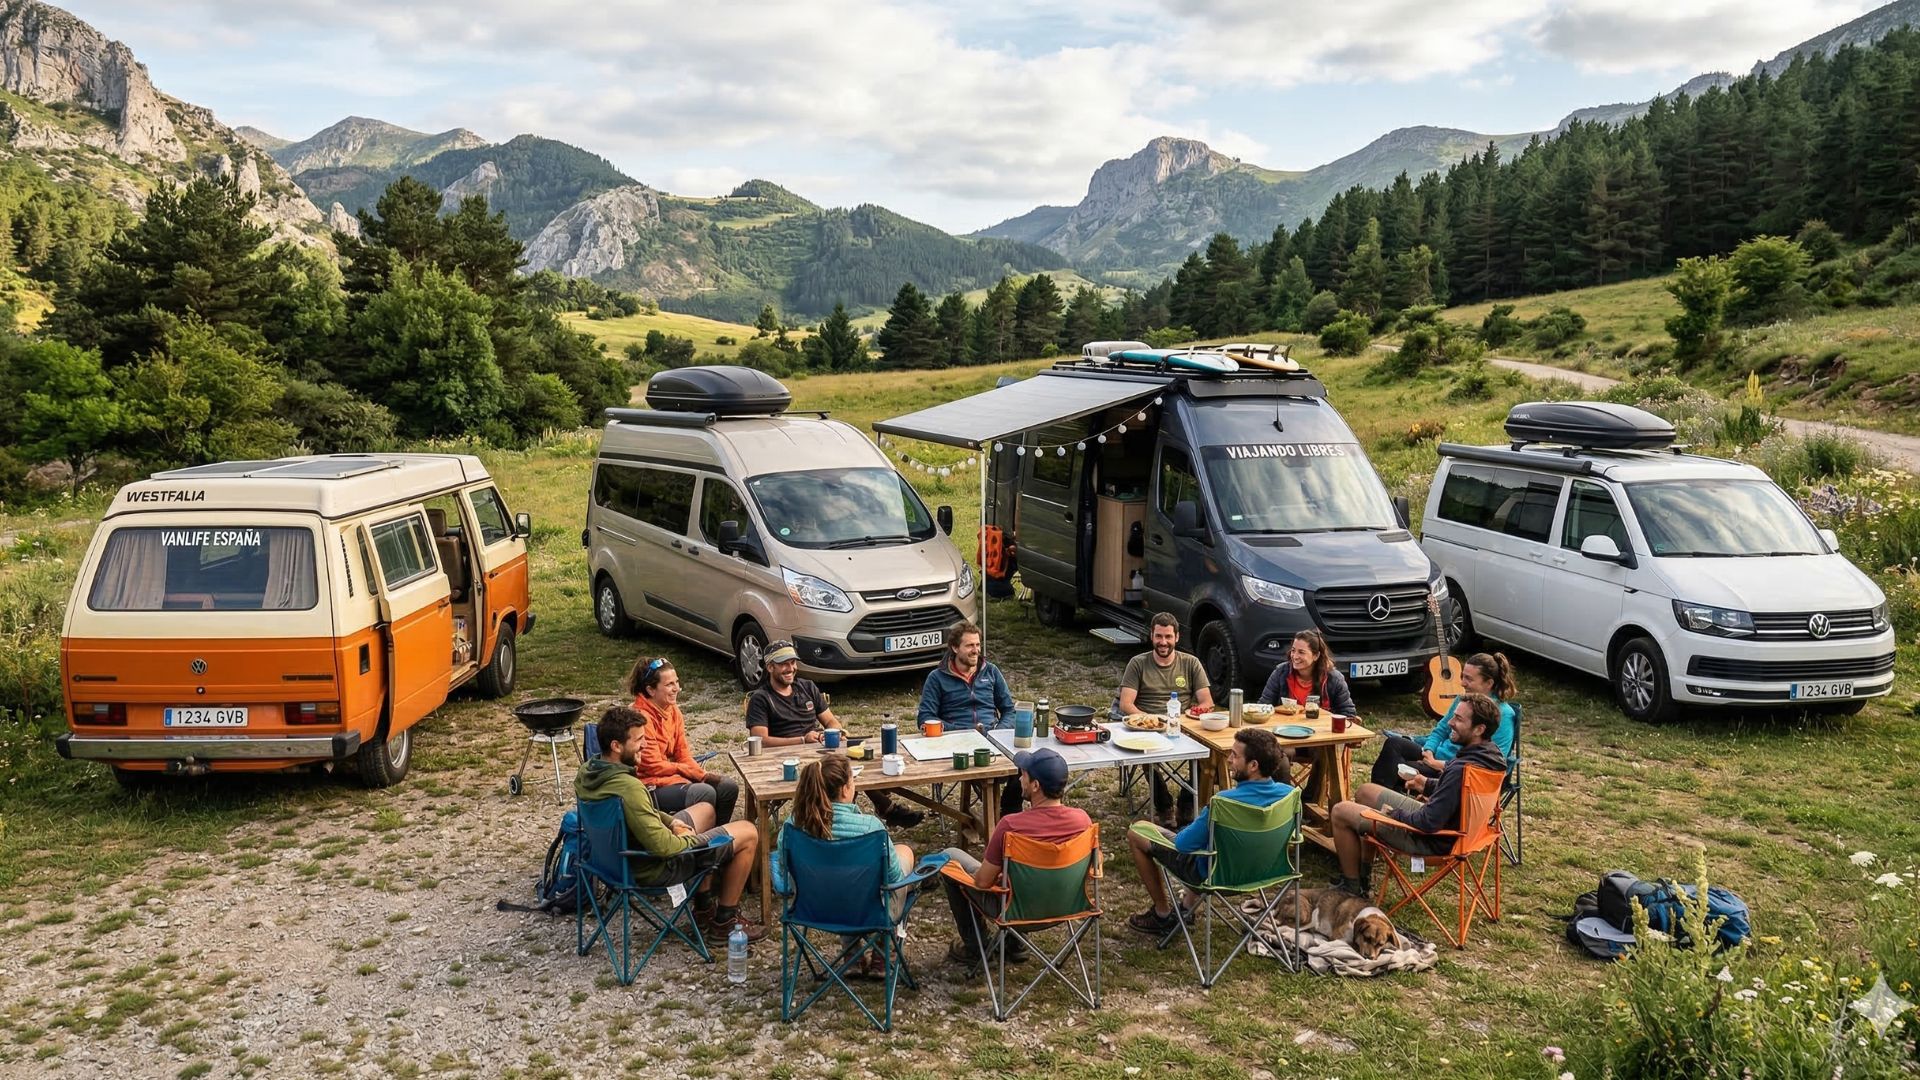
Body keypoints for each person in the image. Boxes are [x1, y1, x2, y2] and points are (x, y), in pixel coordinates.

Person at [575, 705, 765, 941]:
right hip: (652, 867)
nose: (644, 745)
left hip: (611, 860)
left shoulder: (588, 773)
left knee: (706, 810)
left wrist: (673, 823)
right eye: (638, 740)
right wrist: (693, 839)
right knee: (748, 832)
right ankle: (725, 921)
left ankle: (704, 906)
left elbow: (645, 811)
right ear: (616, 746)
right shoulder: (629, 788)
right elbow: (664, 847)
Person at [1327, 692, 1506, 897]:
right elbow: (1461, 791)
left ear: (1479, 729)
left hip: (1432, 839)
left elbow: (1427, 822)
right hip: (1455, 828)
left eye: (1458, 719)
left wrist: (1392, 813)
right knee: (1366, 791)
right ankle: (1364, 874)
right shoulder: (1491, 758)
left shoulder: (1461, 770)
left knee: (1341, 811)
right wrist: (1427, 784)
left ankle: (1352, 887)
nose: (1450, 723)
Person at [1125, 727, 1294, 934]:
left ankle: (1162, 915)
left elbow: (1182, 845)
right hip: (1265, 872)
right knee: (1210, 842)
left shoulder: (1223, 803)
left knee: (1138, 832)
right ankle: (1186, 910)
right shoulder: (1289, 796)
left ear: (1253, 765)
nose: (1229, 760)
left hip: (1216, 877)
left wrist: (1192, 829)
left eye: (1235, 755)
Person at [939, 748, 1093, 971]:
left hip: (1015, 911)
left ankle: (978, 948)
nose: (1020, 779)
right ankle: (1016, 943)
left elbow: (982, 882)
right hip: (1068, 906)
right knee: (1021, 877)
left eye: (1024, 775)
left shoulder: (1011, 826)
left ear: (1036, 785)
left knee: (950, 857)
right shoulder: (1083, 821)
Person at [749, 640, 922, 827]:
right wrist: (801, 740)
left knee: (863, 758)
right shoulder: (761, 698)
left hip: (818, 751)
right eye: (784, 664)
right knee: (842, 773)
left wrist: (835, 732)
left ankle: (871, 812)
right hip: (786, 761)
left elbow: (830, 720)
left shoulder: (806, 687)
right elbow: (761, 741)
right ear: (770, 667)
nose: (790, 668)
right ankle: (880, 812)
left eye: (793, 662)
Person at [773, 755, 917, 973]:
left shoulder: (792, 827)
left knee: (838, 878)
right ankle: (883, 951)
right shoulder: (871, 828)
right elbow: (894, 880)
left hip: (811, 909)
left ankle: (852, 954)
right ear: (845, 789)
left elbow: (784, 872)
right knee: (903, 853)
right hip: (869, 912)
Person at [1369, 651, 1518, 794]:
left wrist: (1438, 764)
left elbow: (1490, 764)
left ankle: (1378, 802)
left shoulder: (1501, 716)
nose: (1462, 683)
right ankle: (1381, 800)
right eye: (1462, 677)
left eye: (1469, 679)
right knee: (1394, 743)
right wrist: (1429, 751)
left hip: (1456, 773)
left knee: (1396, 768)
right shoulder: (1463, 700)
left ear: (1489, 683)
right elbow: (1441, 729)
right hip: (1436, 756)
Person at [1115, 612, 1213, 827]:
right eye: (1159, 636)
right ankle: (1164, 807)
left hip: (1183, 725)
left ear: (1177, 637)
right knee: (1146, 755)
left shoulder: (1190, 663)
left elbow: (1206, 702)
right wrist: (1147, 720)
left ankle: (1187, 803)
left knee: (1210, 752)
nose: (1163, 642)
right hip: (1146, 727)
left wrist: (1191, 715)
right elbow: (1126, 704)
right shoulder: (1138, 663)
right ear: (1152, 636)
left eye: (1168, 637)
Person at [916, 620, 1022, 815]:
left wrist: (999, 732)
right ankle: (994, 817)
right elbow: (925, 717)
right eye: (970, 645)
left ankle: (1008, 811)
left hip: (992, 738)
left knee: (1025, 760)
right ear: (955, 648)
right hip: (956, 741)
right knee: (980, 768)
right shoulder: (937, 678)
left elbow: (1009, 710)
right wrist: (959, 730)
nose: (976, 650)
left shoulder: (991, 671)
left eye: (978, 645)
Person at [627, 655, 740, 823]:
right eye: (669, 684)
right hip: (648, 785)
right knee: (704, 792)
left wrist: (701, 774)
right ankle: (692, 842)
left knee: (727, 787)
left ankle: (715, 838)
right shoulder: (640, 718)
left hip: (669, 776)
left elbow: (683, 753)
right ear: (651, 690)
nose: (676, 688)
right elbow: (652, 766)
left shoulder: (673, 711)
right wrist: (688, 773)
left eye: (677, 682)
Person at [1255, 629, 1355, 799]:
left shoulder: (1333, 679)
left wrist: (1328, 722)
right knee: (1279, 759)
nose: (1295, 656)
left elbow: (1349, 714)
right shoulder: (1281, 672)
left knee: (1325, 754)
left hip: (1318, 738)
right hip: (1285, 736)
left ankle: (1309, 802)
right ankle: (1286, 802)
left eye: (1301, 652)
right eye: (1293, 650)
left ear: (1316, 656)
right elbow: (1263, 706)